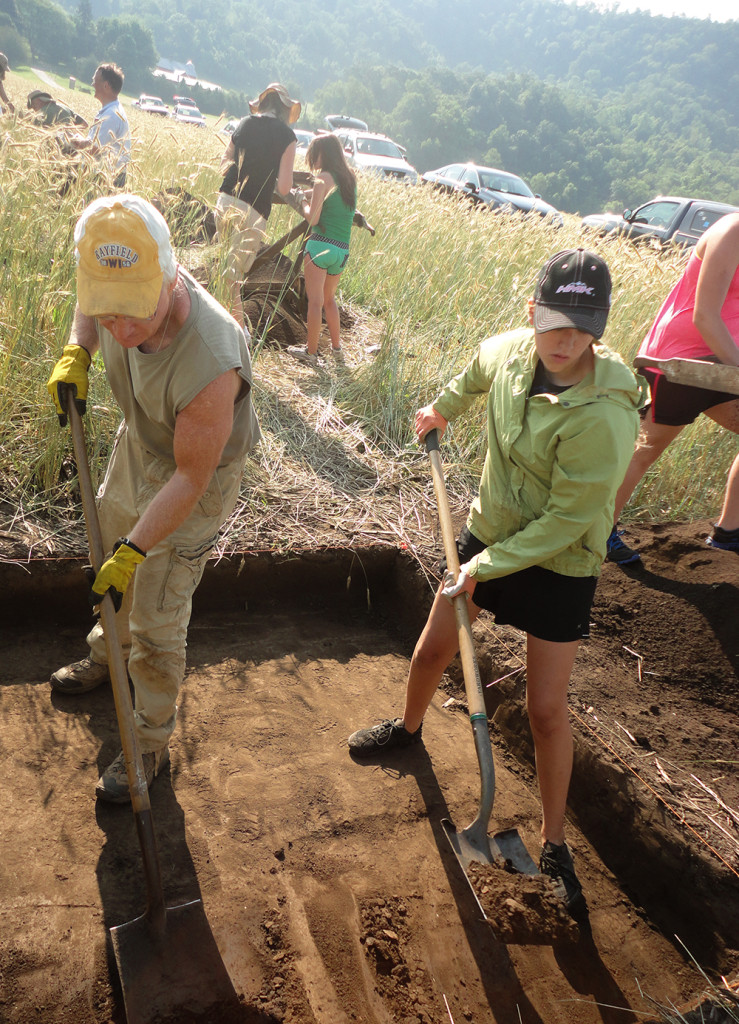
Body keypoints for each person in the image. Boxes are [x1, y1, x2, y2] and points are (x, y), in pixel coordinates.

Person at [348, 249, 641, 918]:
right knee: (430, 651)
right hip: (490, 531)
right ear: (530, 311)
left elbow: (569, 520)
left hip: (560, 558)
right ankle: (408, 728)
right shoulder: (510, 352)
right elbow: (475, 372)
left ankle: (555, 842)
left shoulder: (606, 414)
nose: (566, 342)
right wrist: (441, 409)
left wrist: (480, 568)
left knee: (543, 710)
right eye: (555, 324)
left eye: (583, 327)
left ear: (599, 326)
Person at [46, 194, 260, 803]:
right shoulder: (112, 283)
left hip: (196, 477)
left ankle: (147, 742)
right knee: (110, 565)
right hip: (139, 444)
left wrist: (136, 549)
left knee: (157, 614)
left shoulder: (213, 357)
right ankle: (106, 653)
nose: (122, 328)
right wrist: (78, 349)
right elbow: (93, 303)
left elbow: (190, 479)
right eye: (108, 314)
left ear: (169, 277)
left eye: (133, 315)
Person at [607, 211, 739, 565]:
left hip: (726, 363)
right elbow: (704, 315)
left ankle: (729, 533)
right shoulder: (732, 231)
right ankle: (599, 534)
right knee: (647, 448)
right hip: (682, 363)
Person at [215, 82, 300, 329]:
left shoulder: (244, 123)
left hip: (225, 201)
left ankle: (221, 329)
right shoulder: (287, 137)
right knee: (233, 278)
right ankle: (241, 336)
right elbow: (285, 188)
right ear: (286, 110)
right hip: (254, 209)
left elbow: (224, 164)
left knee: (225, 270)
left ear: (261, 104)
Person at [287, 133, 357, 368]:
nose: (311, 159)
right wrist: (308, 195)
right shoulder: (348, 179)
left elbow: (313, 217)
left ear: (323, 154)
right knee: (329, 300)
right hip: (341, 251)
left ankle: (311, 352)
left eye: (313, 153)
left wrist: (302, 202)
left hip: (319, 246)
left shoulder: (321, 179)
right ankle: (337, 350)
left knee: (314, 302)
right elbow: (329, 200)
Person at [69, 63, 130, 188]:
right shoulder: (111, 111)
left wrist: (76, 139)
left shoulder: (111, 115)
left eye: (95, 81)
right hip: (106, 176)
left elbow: (94, 149)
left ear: (106, 85)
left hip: (107, 180)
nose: (92, 85)